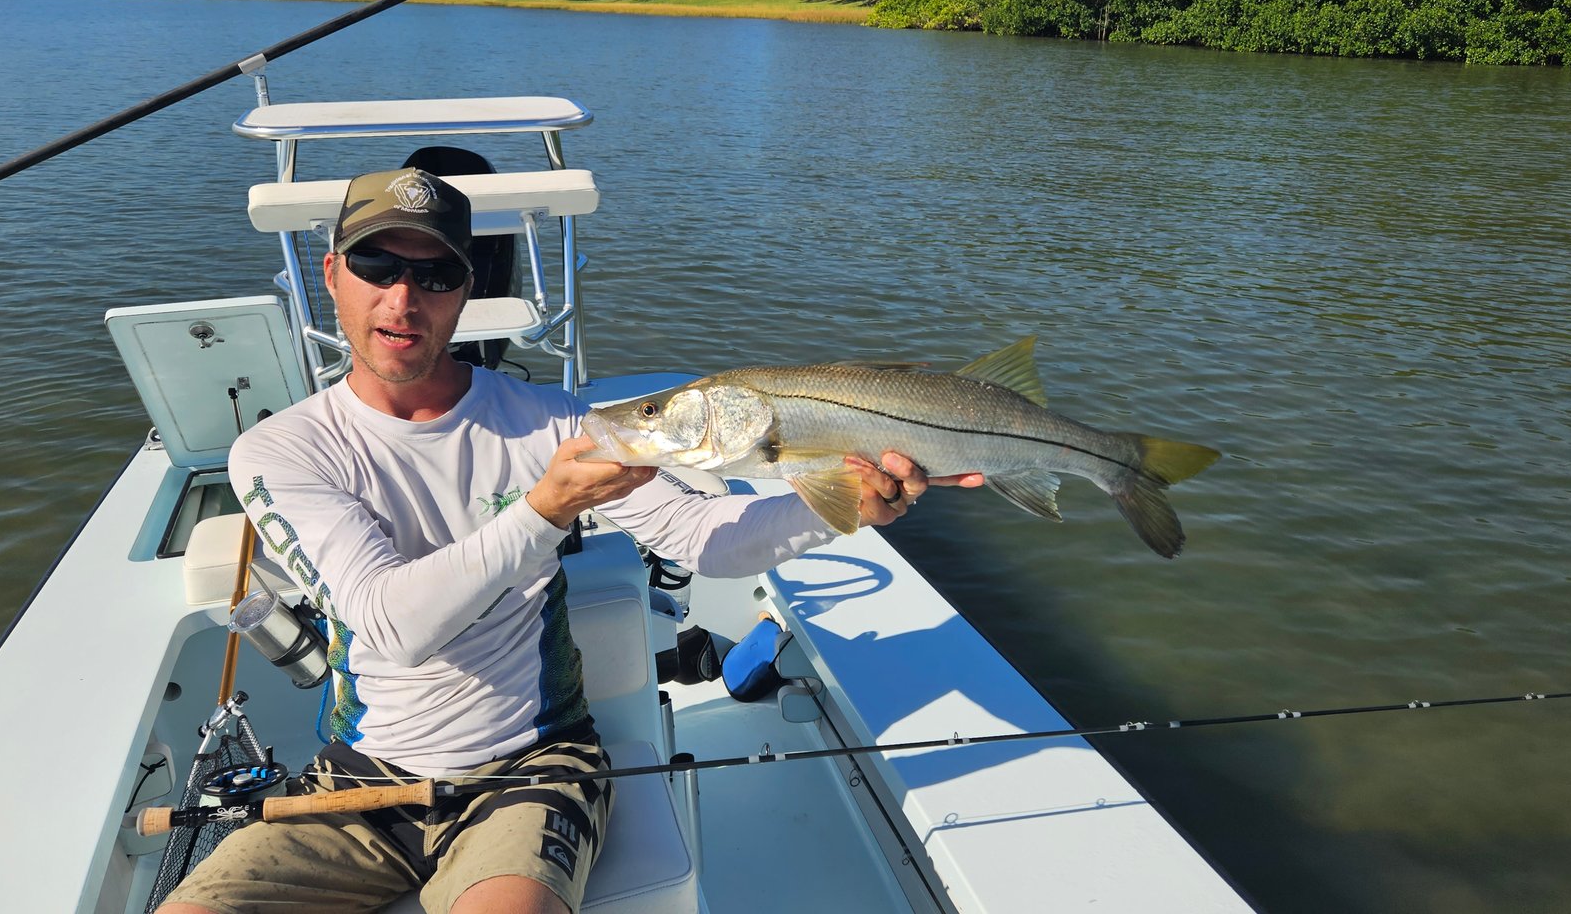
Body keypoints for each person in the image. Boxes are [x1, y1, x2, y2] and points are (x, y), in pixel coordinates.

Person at [160, 167, 978, 914]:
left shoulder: (551, 423)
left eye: (436, 274)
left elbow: (707, 540)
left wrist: (839, 508)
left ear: (467, 290)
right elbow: (391, 626)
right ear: (333, 274)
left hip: (534, 769)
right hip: (360, 778)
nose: (403, 300)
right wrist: (541, 512)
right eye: (378, 267)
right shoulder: (281, 450)